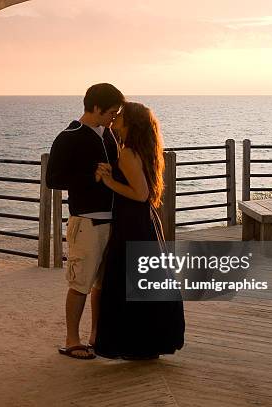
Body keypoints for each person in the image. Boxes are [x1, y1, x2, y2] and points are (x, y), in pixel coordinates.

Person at [94, 102, 185, 359]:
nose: (116, 118)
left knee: (127, 279)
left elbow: (141, 194)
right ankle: (145, 342)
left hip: (132, 222)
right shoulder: (136, 151)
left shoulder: (128, 152)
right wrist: (116, 172)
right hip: (142, 221)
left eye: (120, 115)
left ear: (130, 122)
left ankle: (135, 343)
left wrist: (110, 181)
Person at [46, 83, 125, 359]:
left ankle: (96, 335)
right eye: (111, 112)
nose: (114, 117)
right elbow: (52, 180)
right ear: (95, 108)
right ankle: (72, 340)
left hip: (112, 221)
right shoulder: (69, 137)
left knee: (102, 284)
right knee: (80, 282)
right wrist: (89, 177)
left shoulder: (109, 135)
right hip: (86, 221)